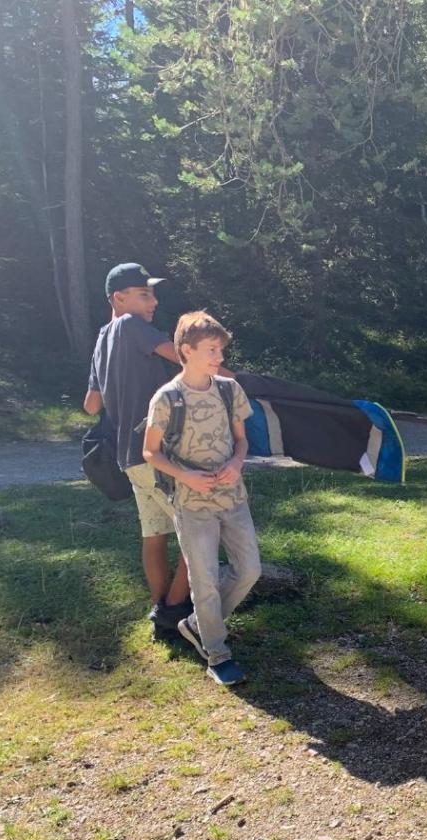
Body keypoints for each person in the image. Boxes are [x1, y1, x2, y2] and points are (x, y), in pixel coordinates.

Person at [141, 312, 260, 686]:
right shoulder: (167, 398)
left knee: (250, 570)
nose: (219, 357)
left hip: (233, 499)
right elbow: (150, 452)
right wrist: (186, 475)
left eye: (221, 350)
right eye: (211, 350)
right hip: (192, 506)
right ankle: (217, 654)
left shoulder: (228, 390)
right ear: (186, 351)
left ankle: (197, 624)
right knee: (204, 580)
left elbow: (242, 441)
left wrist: (237, 463)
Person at [83, 263, 197, 637]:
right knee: (199, 528)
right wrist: (231, 379)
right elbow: (183, 357)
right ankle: (174, 610)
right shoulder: (132, 326)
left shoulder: (102, 338)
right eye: (144, 294)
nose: (154, 302)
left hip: (128, 458)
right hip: (156, 452)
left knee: (154, 533)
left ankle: (159, 605)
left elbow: (91, 405)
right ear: (119, 298)